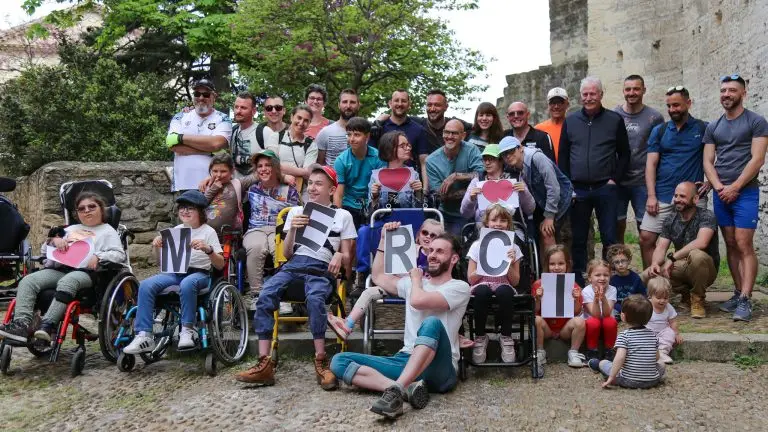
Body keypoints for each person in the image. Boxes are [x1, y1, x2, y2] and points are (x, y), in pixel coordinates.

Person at [235, 166, 356, 390]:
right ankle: (264, 364)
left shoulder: (343, 215)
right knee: (266, 293)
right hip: (294, 266)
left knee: (315, 298)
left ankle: (321, 359)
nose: (312, 187)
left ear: (332, 189)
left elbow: (349, 258)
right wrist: (292, 230)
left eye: (319, 183)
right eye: (310, 183)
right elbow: (288, 254)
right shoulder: (295, 212)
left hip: (322, 270)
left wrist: (340, 253)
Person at [330, 229, 470, 419]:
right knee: (339, 361)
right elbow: (378, 276)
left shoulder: (459, 287)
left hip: (440, 367)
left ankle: (396, 390)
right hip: (406, 360)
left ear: (454, 259)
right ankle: (405, 389)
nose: (433, 256)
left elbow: (418, 301)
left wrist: (415, 280)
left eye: (440, 252)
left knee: (431, 324)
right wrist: (383, 241)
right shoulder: (415, 284)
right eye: (431, 251)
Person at [0, 192, 126, 343]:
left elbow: (119, 255)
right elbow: (45, 252)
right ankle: (21, 324)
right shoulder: (70, 229)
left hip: (88, 273)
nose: (86, 210)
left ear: (101, 209)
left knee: (69, 280)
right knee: (28, 280)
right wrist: (54, 242)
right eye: (81, 208)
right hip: (62, 269)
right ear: (77, 213)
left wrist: (99, 256)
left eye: (91, 206)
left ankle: (48, 325)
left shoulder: (107, 231)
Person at [123, 190, 224, 353]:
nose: (185, 211)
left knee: (187, 283)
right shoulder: (176, 230)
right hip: (174, 273)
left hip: (200, 274)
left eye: (190, 208)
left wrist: (208, 249)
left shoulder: (208, 232)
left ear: (200, 211)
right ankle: (144, 334)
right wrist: (157, 247)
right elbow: (162, 263)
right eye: (182, 208)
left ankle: (187, 329)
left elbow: (220, 264)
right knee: (146, 285)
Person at [703, 74, 768, 322]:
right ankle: (737, 291)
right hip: (722, 194)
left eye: (732, 90)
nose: (726, 94)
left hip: (745, 193)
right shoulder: (714, 126)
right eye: (723, 90)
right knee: (729, 242)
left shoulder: (756, 122)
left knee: (743, 243)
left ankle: (746, 299)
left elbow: (757, 159)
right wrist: (720, 187)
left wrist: (735, 187)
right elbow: (708, 160)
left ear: (743, 93)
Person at [558, 76, 630, 286]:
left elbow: (624, 154)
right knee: (578, 238)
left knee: (609, 237)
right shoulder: (570, 121)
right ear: (580, 96)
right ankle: (580, 280)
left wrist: (614, 179)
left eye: (593, 94)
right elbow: (563, 155)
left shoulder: (614, 120)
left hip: (604, 188)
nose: (589, 98)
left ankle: (611, 279)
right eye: (585, 94)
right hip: (578, 189)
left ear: (601, 95)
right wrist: (567, 185)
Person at [328, 220, 444, 341]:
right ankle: (348, 325)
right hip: (395, 284)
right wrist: (386, 238)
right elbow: (384, 271)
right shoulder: (408, 248)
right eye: (425, 233)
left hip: (420, 292)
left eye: (433, 235)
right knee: (368, 292)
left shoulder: (439, 258)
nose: (428, 237)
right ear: (418, 235)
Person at [640, 86, 709, 268]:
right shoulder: (660, 131)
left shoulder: (703, 128)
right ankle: (654, 284)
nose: (672, 110)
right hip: (662, 194)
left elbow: (715, 159)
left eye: (676, 105)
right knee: (646, 238)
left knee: (692, 244)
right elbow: (651, 164)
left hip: (693, 197)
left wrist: (710, 182)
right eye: (669, 106)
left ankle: (686, 288)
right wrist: (651, 195)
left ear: (688, 103)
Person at [351, 131, 425, 294]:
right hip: (384, 224)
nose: (408, 148)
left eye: (408, 145)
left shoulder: (413, 174)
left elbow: (420, 209)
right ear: (391, 149)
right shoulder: (376, 175)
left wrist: (419, 193)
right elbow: (369, 213)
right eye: (402, 145)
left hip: (409, 225)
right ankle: (362, 275)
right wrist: (375, 197)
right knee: (363, 231)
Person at [641, 182, 719, 319]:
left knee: (697, 255)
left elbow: (702, 242)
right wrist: (654, 263)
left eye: (682, 196)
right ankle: (685, 294)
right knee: (646, 275)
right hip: (682, 266)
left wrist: (671, 259)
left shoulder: (707, 216)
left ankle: (698, 300)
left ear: (695, 199)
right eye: (676, 195)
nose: (677, 199)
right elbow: (661, 247)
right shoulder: (670, 219)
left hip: (705, 269)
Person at [240, 150, 300, 310]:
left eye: (268, 165)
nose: (264, 169)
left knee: (279, 248)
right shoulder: (251, 188)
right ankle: (256, 295)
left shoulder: (289, 190)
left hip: (280, 229)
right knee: (257, 247)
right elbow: (234, 183)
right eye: (260, 166)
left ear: (275, 167)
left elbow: (295, 214)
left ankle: (284, 295)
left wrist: (283, 177)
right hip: (256, 229)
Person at [498, 136, 572, 259]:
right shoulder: (514, 166)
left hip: (562, 203)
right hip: (543, 204)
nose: (508, 156)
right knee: (544, 238)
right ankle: (545, 275)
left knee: (557, 242)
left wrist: (549, 216)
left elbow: (553, 187)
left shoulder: (537, 157)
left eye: (511, 151)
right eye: (504, 154)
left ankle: (558, 276)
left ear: (520, 148)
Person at [467, 204, 523, 364]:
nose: (498, 223)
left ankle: (506, 337)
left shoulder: (514, 248)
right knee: (482, 292)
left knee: (505, 292)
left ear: (509, 224)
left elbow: (516, 280)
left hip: (503, 284)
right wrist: (483, 267)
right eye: (494, 220)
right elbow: (470, 278)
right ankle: (480, 337)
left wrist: (510, 263)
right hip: (481, 284)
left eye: (503, 220)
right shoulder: (477, 246)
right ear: (486, 223)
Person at [614, 75, 665, 245]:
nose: (632, 92)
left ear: (644, 90)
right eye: (628, 89)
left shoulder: (655, 117)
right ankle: (617, 268)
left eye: (636, 89)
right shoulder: (614, 115)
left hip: (644, 182)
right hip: (618, 181)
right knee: (616, 226)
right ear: (623, 91)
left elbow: (660, 150)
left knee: (646, 232)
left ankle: (648, 270)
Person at [167, 79, 232, 192]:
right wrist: (210, 151)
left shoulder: (223, 118)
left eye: (206, 94)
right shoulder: (180, 116)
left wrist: (181, 138)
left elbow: (216, 144)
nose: (201, 98)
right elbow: (172, 144)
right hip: (184, 183)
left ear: (214, 97)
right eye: (197, 94)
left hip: (213, 184)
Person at [588, 294, 665, 389]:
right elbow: (656, 357)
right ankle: (649, 376)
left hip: (628, 380)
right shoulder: (653, 335)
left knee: (604, 363)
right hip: (652, 381)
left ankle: (596, 364)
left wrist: (611, 377)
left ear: (623, 316)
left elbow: (620, 358)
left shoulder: (624, 336)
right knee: (662, 364)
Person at [533, 245, 587, 377]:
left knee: (580, 322)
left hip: (564, 328)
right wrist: (538, 298)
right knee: (536, 320)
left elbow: (577, 311)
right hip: (546, 327)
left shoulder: (574, 286)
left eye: (560, 263)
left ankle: (573, 352)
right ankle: (540, 352)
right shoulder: (538, 284)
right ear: (546, 265)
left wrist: (575, 299)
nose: (556, 267)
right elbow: (534, 310)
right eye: (552, 264)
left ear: (567, 264)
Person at [426, 119, 484, 235]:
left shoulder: (471, 150)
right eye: (447, 132)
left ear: (463, 135)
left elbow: (482, 175)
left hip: (472, 211)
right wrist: (469, 192)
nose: (450, 136)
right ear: (442, 133)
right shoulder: (431, 160)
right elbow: (439, 195)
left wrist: (457, 176)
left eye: (454, 133)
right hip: (447, 213)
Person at [460, 143, 535, 225]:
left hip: (513, 228)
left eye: (491, 159)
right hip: (483, 228)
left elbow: (530, 210)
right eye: (484, 159)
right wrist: (471, 199)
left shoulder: (515, 179)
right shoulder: (477, 181)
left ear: (501, 160)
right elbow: (465, 214)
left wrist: (524, 193)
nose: (487, 163)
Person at [333, 117, 387, 228]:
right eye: (349, 134)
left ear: (367, 137)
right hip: (349, 204)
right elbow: (338, 193)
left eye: (357, 135)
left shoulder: (378, 158)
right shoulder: (341, 160)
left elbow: (381, 188)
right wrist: (338, 217)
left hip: (373, 203)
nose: (351, 139)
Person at [373, 89, 433, 187]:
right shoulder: (379, 128)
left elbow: (424, 162)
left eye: (404, 101)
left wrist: (425, 190)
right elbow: (372, 158)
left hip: (409, 183)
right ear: (390, 103)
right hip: (382, 183)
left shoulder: (418, 129)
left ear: (409, 104)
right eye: (396, 100)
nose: (400, 104)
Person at [266, 104, 318, 196]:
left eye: (306, 120)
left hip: (299, 194)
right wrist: (285, 176)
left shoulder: (311, 145)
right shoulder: (276, 137)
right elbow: (270, 165)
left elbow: (308, 174)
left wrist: (280, 166)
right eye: (299, 118)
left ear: (309, 123)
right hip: (273, 190)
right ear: (291, 117)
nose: (301, 123)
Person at [581, 259, 618, 360]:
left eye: (606, 275)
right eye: (598, 275)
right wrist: (596, 300)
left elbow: (606, 314)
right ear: (589, 277)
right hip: (592, 323)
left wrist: (604, 298)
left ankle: (609, 350)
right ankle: (592, 350)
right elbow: (595, 315)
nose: (602, 278)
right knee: (594, 322)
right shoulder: (586, 291)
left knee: (610, 321)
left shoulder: (612, 289)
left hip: (606, 321)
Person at [316, 88, 360, 167]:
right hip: (332, 178)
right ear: (338, 105)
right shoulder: (325, 132)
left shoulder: (366, 133)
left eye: (352, 102)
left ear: (358, 105)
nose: (348, 106)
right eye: (344, 102)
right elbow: (320, 164)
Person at [646, 278, 681, 364]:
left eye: (665, 298)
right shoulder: (647, 305)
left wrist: (676, 334)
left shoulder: (668, 307)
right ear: (650, 295)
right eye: (658, 298)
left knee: (670, 333)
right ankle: (648, 353)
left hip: (662, 331)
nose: (662, 301)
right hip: (648, 331)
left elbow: (673, 321)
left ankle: (662, 352)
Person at [606, 243, 646, 318]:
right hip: (617, 308)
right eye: (617, 262)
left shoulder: (635, 278)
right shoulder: (611, 280)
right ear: (612, 264)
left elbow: (643, 295)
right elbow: (612, 300)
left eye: (623, 261)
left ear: (629, 260)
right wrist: (622, 309)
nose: (620, 264)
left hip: (633, 305)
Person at [230, 91, 261, 178]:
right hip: (235, 186)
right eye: (236, 107)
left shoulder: (263, 132)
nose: (238, 111)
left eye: (243, 108)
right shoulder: (233, 131)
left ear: (254, 111)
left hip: (256, 187)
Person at [535, 87, 570, 163]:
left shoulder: (573, 126)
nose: (556, 106)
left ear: (567, 104)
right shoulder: (538, 129)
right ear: (548, 105)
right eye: (552, 103)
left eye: (560, 102)